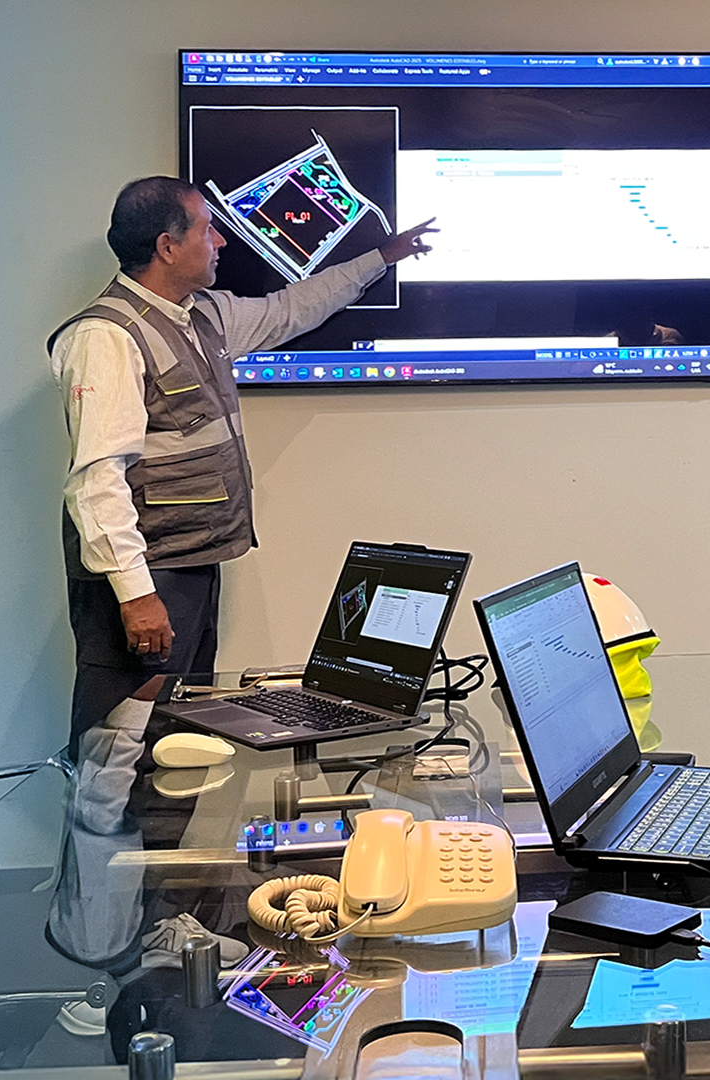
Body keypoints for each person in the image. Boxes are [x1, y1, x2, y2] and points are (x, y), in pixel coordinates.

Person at [49, 176, 437, 740]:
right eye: (208, 229)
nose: (222, 241)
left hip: (191, 562)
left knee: (174, 733)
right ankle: (105, 806)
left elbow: (291, 309)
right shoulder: (105, 337)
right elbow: (96, 481)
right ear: (167, 247)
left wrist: (382, 256)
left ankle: (154, 804)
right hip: (145, 574)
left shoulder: (202, 314)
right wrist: (137, 597)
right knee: (121, 736)